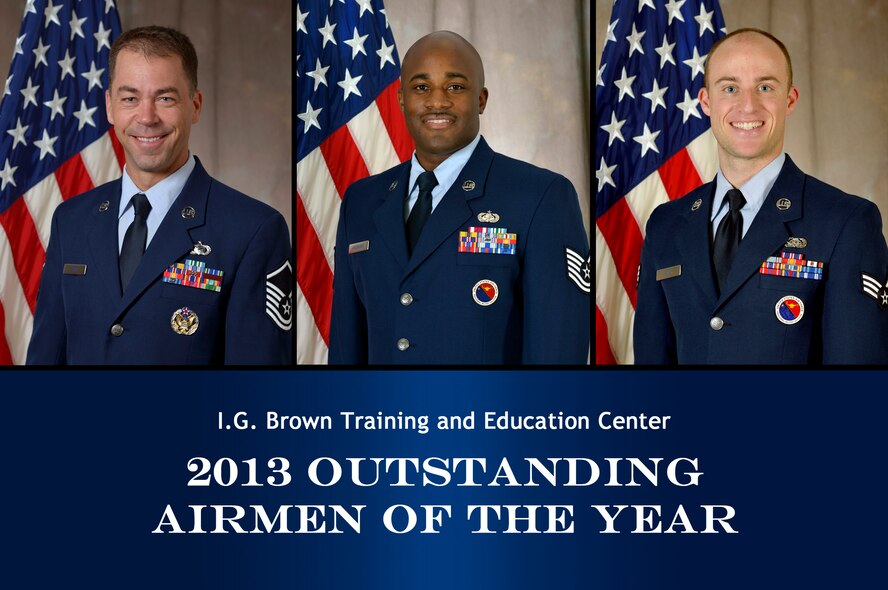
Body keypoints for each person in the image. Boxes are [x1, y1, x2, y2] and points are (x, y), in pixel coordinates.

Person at [27, 26, 292, 365]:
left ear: (195, 106)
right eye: (130, 98)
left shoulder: (253, 230)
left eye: (165, 98)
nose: (147, 117)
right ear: (110, 107)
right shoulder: (72, 220)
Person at [329, 31, 590, 364]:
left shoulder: (539, 197)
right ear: (401, 100)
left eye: (455, 87)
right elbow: (346, 349)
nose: (437, 102)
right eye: (421, 87)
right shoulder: (361, 201)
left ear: (481, 99)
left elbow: (557, 356)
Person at [634, 28, 888, 364]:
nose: (748, 106)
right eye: (730, 88)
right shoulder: (666, 224)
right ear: (706, 102)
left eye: (765, 87)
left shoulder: (846, 222)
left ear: (790, 100)